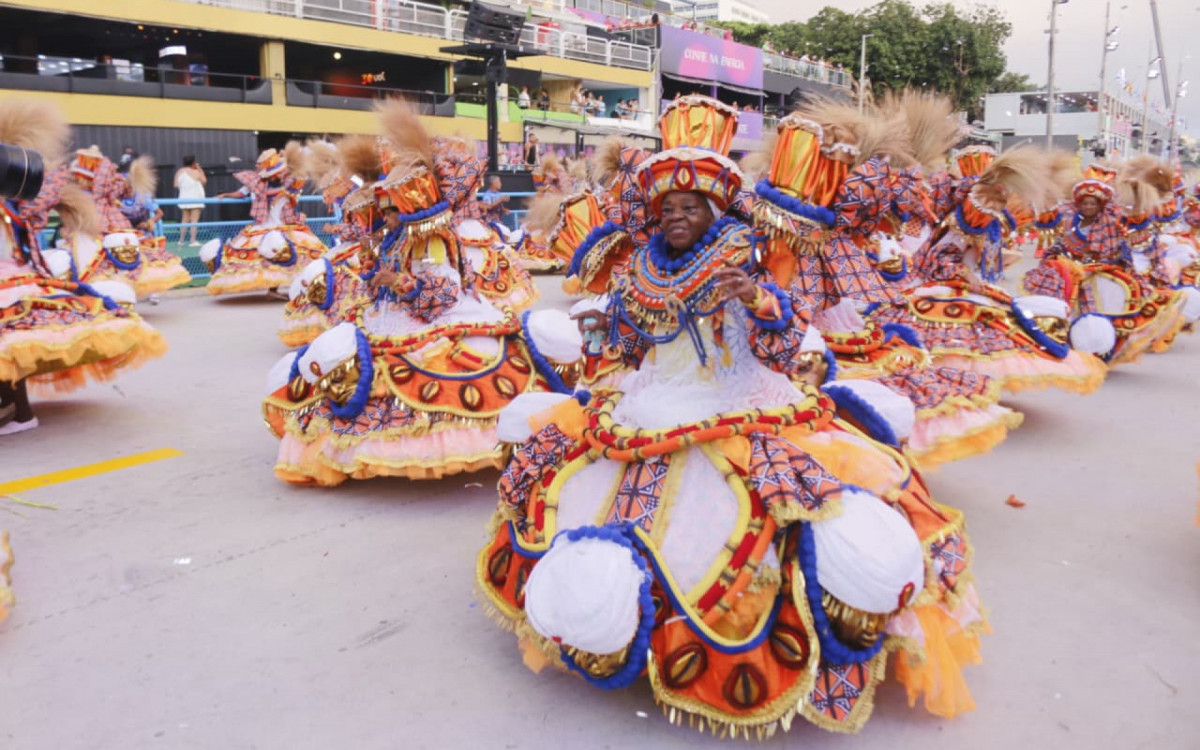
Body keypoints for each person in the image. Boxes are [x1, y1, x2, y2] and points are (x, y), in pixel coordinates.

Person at [479, 96, 987, 736]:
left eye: (690, 207)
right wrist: (605, 332)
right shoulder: (641, 268)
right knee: (560, 467)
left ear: (715, 209)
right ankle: (590, 610)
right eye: (668, 208)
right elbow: (634, 348)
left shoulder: (742, 262)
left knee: (772, 506)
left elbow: (780, 349)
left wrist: (762, 302)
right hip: (649, 402)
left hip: (735, 403)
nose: (677, 217)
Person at [174, 155, 206, 246]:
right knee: (194, 220)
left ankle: (181, 240)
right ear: (193, 162)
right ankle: (192, 241)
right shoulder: (196, 172)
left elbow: (176, 185)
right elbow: (204, 181)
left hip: (183, 198)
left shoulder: (179, 172)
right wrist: (199, 169)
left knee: (184, 220)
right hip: (196, 198)